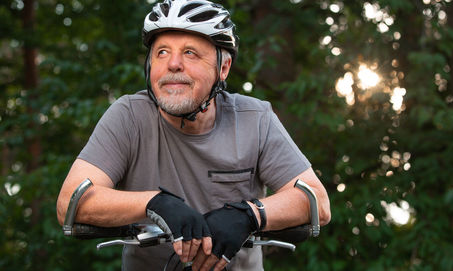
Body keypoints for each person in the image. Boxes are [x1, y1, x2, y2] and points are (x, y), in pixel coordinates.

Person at [56, 0, 331, 270]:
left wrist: (250, 214)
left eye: (190, 53)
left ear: (223, 69)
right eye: (162, 52)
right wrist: (155, 203)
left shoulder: (254, 118)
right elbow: (71, 202)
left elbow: (316, 202)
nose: (173, 64)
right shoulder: (129, 115)